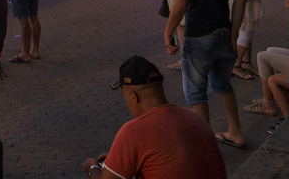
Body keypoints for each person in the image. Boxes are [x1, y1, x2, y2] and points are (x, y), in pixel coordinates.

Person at [163, 0, 247, 149]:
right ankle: (235, 131)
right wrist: (234, 31)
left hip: (198, 35)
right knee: (222, 84)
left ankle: (204, 146)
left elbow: (180, 4)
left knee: (196, 93)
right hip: (223, 31)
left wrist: (168, 31)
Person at [81, 56, 227, 179]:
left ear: (133, 95)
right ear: (160, 88)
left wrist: (92, 167)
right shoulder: (197, 118)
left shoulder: (133, 132)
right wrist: (120, 158)